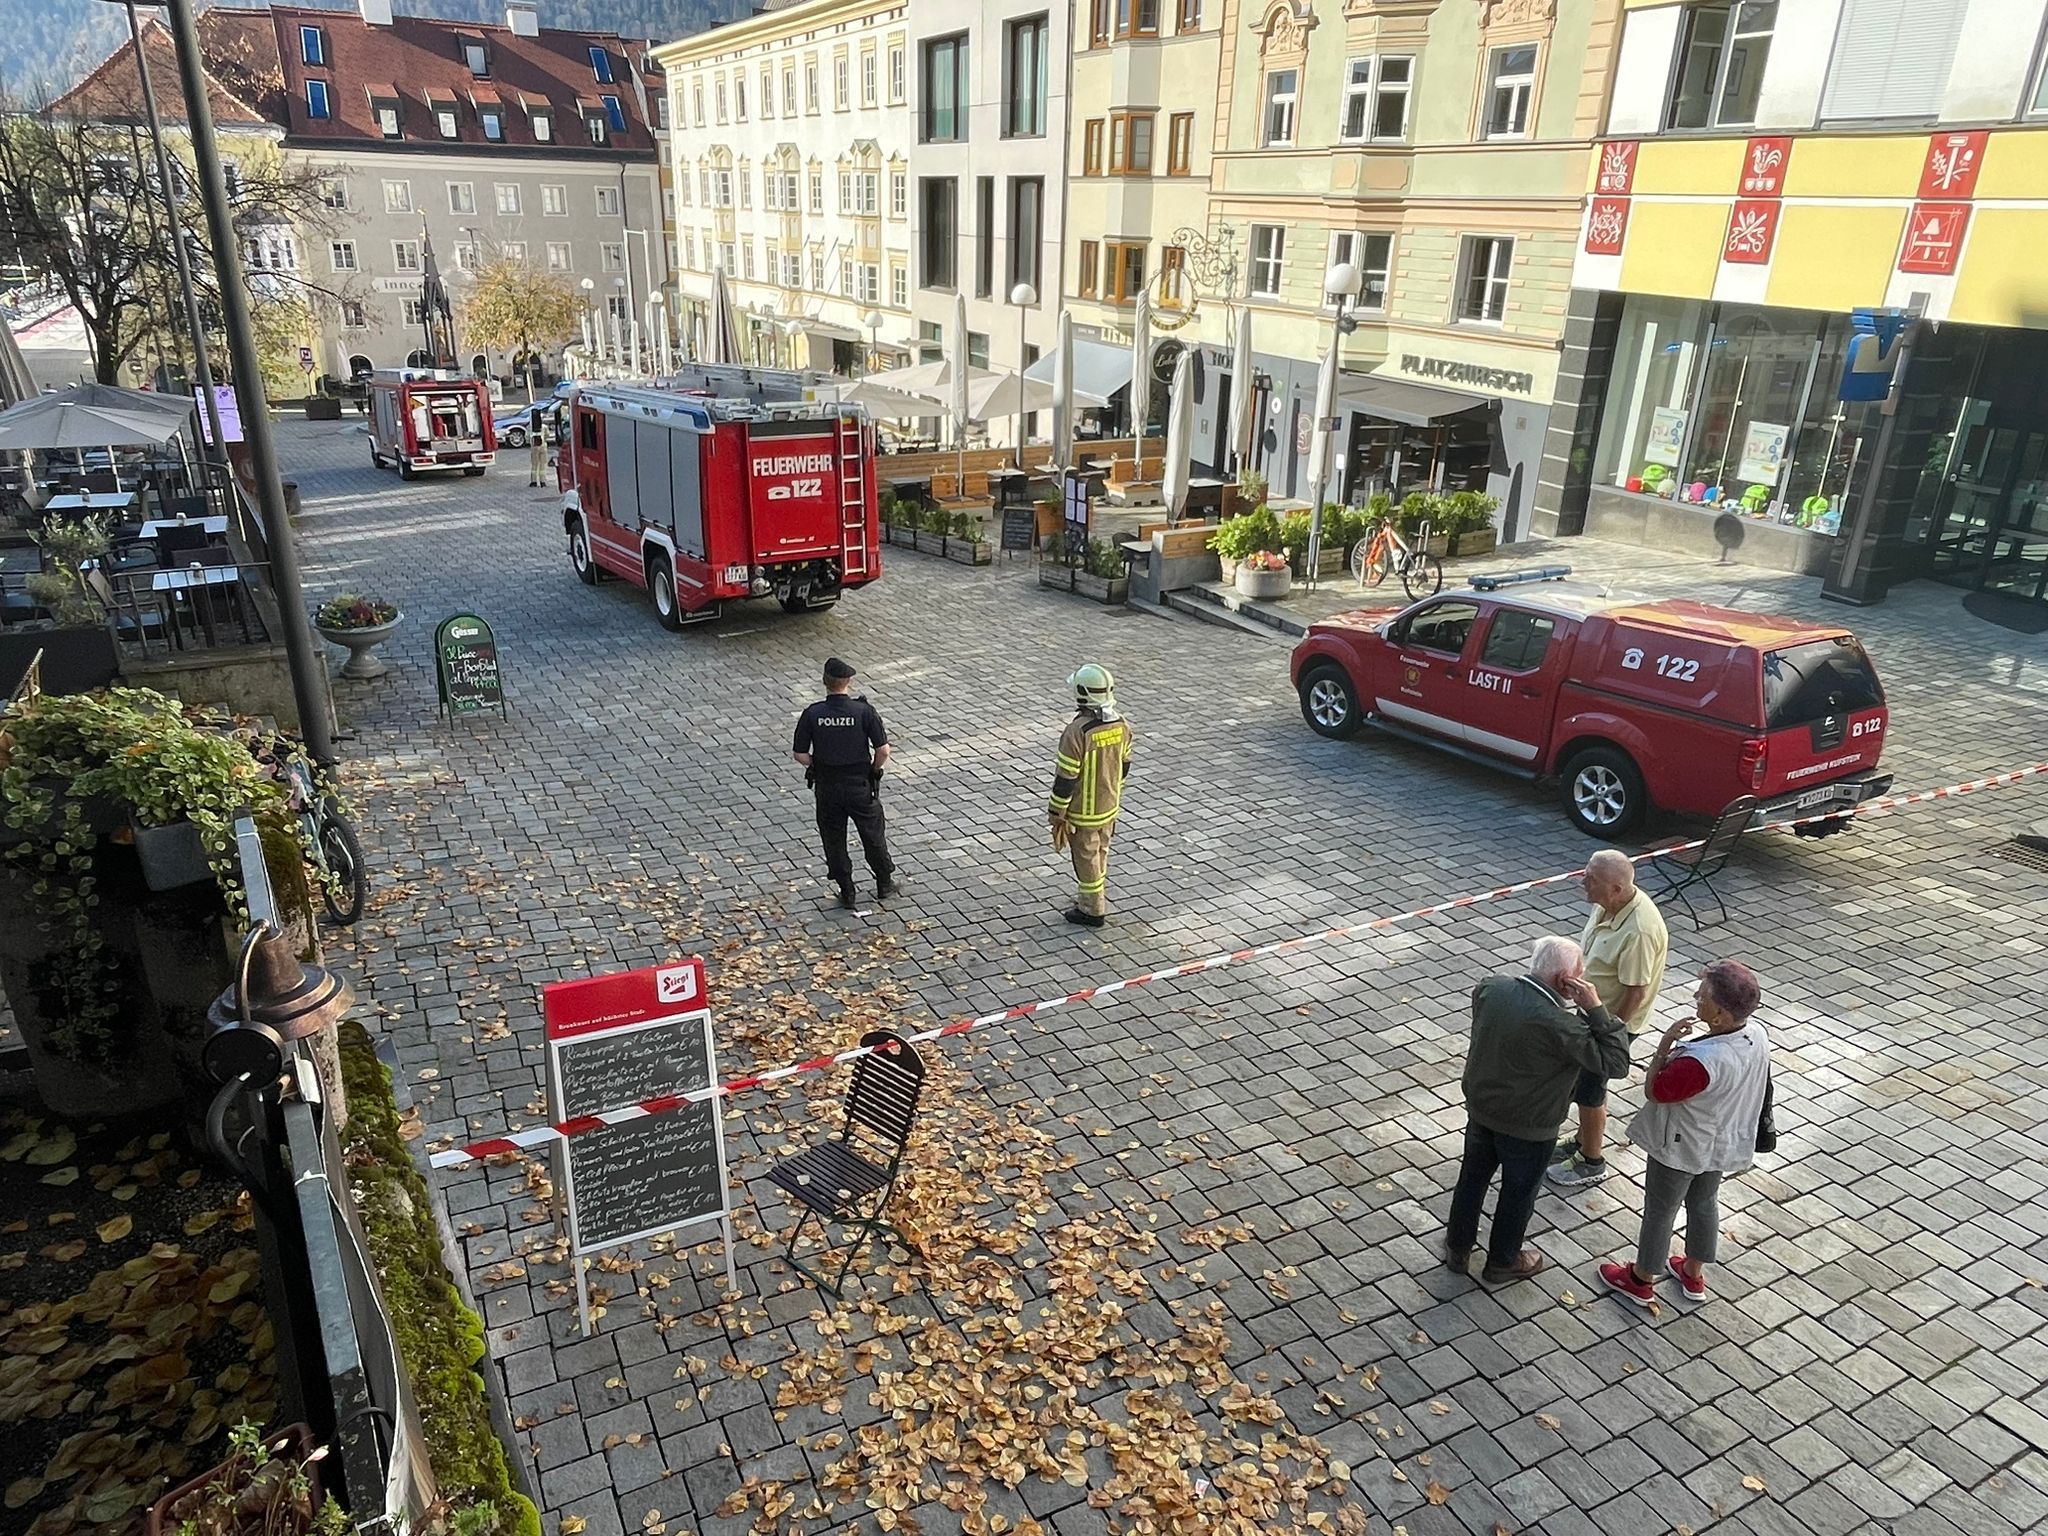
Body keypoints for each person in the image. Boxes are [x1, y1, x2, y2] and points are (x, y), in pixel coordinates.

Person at [1445, 936, 1629, 1285]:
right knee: (1518, 1193)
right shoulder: (1564, 1027)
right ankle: (1503, 1260)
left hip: (1482, 1110)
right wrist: (1595, 1008)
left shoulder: (1492, 988)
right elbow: (1616, 1063)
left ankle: (1458, 1248)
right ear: (1566, 982)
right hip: (1530, 1128)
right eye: (1581, 973)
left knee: (1471, 1178)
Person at [1598, 960, 1771, 1307]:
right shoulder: (1757, 1035)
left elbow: (1656, 1091)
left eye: (1703, 995)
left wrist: (1664, 1046)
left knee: (1660, 1209)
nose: (1696, 996)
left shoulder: (1699, 1062)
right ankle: (1693, 1272)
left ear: (1720, 1014)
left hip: (1681, 1146)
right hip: (1722, 1141)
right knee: (1704, 1202)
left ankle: (1642, 1278)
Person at [1547, 849, 1669, 1188]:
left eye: (1592, 879)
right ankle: (1583, 1139)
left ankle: (1591, 1160)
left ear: (1616, 888)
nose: (1582, 881)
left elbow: (1636, 992)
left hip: (1613, 1022)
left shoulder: (1639, 931)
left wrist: (1608, 1033)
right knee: (1584, 1083)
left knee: (1590, 1087)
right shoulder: (1608, 904)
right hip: (1594, 1012)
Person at [792, 657, 896, 909]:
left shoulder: (813, 713)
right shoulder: (864, 712)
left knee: (833, 837)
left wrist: (816, 766)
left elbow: (800, 754)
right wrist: (874, 770)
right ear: (848, 681)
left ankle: (847, 890)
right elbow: (883, 750)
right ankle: (884, 882)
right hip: (859, 785)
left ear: (824, 682)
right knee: (872, 834)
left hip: (828, 787)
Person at [1047, 663, 1132, 928]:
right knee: (1100, 853)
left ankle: (1092, 909)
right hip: (1110, 806)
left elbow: (1066, 778)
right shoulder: (1121, 724)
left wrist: (1056, 811)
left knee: (1085, 859)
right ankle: (1093, 896)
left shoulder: (1077, 732)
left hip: (1083, 812)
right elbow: (1124, 765)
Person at [527, 405, 548, 488]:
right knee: (542, 465)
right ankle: (543, 482)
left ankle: (533, 481)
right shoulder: (544, 427)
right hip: (543, 447)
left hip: (534, 447)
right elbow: (547, 435)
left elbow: (527, 437)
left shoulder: (530, 427)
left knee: (534, 465)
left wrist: (531, 444)